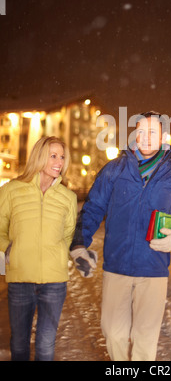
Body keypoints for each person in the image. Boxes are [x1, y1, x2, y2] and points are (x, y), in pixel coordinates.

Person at [70, 111, 171, 361]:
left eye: (152, 132)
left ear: (163, 136)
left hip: (153, 269)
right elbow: (93, 208)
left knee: (145, 338)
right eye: (140, 131)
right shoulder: (115, 170)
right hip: (116, 267)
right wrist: (79, 245)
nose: (145, 137)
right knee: (114, 333)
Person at [0, 136, 77, 361]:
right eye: (53, 155)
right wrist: (8, 249)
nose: (59, 161)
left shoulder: (68, 197)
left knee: (45, 346)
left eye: (62, 157)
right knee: (19, 344)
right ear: (39, 156)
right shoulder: (12, 190)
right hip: (20, 279)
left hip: (54, 282)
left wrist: (67, 255)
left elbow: (68, 235)